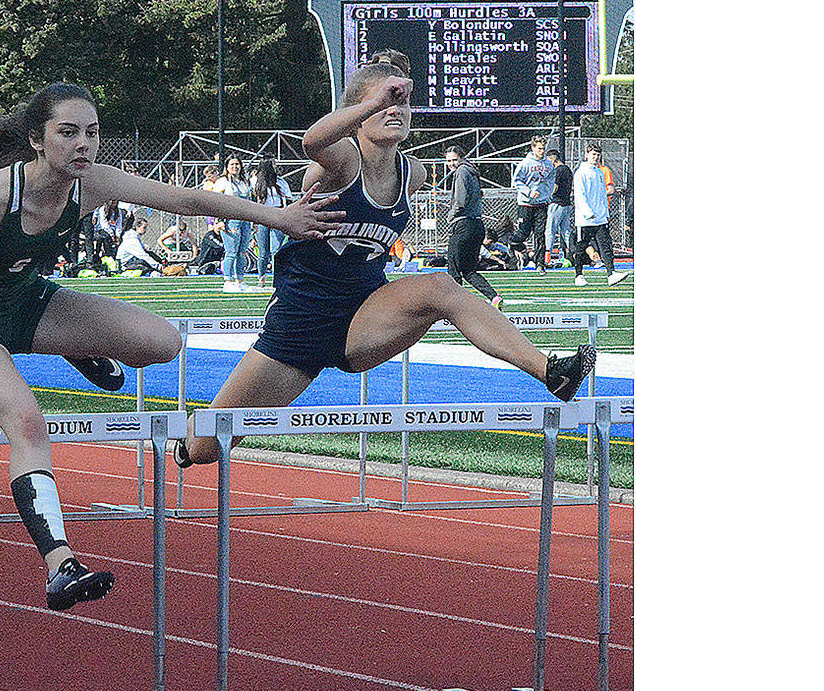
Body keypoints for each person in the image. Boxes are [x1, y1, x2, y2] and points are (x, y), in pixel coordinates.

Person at [0, 83, 341, 610]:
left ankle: (74, 345)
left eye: (91, 133)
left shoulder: (93, 184)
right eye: (68, 133)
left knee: (164, 342)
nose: (83, 145)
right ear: (36, 141)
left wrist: (281, 218)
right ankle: (60, 562)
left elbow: (186, 198)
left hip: (28, 300)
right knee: (26, 421)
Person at [175, 50, 596, 467]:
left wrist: (388, 86)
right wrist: (375, 100)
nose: (395, 109)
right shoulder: (340, 162)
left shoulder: (412, 173)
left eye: (402, 103)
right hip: (299, 323)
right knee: (205, 449)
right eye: (383, 103)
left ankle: (550, 372)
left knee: (441, 287)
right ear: (358, 112)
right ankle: (191, 434)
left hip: (365, 313)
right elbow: (312, 141)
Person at [442, 146, 502, 309]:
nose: (451, 164)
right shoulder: (472, 172)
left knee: (453, 266)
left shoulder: (461, 172)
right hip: (477, 225)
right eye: (448, 161)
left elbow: (460, 201)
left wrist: (450, 216)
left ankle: (456, 305)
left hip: (464, 224)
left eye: (454, 159)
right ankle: (494, 297)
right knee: (468, 270)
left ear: (461, 158)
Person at [571, 145, 630, 287]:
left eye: (597, 155)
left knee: (606, 245)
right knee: (581, 247)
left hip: (600, 219)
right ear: (586, 155)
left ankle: (611, 273)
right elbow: (580, 195)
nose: (595, 157)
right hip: (585, 220)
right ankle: (579, 275)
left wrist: (605, 213)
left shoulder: (599, 173)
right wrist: (587, 212)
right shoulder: (581, 173)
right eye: (593, 154)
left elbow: (602, 195)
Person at [508, 135, 555, 271]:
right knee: (524, 232)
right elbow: (516, 181)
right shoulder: (525, 163)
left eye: (543, 148)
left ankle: (540, 263)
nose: (541, 151)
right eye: (539, 148)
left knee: (540, 234)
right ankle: (512, 243)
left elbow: (550, 179)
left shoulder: (548, 164)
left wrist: (547, 194)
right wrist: (528, 192)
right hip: (526, 203)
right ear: (533, 148)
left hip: (541, 204)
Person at [213, 156, 254, 292]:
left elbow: (251, 201)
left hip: (246, 219)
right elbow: (216, 202)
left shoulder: (244, 181)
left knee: (242, 252)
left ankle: (240, 280)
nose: (235, 167)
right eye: (232, 164)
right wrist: (218, 221)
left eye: (237, 164)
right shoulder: (222, 181)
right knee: (231, 251)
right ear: (227, 167)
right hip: (230, 220)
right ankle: (228, 280)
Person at [251, 158, 293, 289]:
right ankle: (261, 277)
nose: (276, 168)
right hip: (262, 216)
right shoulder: (256, 182)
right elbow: (251, 199)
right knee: (263, 252)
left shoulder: (281, 182)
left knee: (276, 250)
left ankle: (277, 279)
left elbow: (288, 199)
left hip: (277, 215)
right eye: (273, 166)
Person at [544, 148, 573, 268]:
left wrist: (546, 195)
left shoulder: (558, 171)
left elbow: (554, 188)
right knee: (566, 232)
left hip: (557, 204)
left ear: (552, 159)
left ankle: (547, 258)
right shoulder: (568, 170)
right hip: (566, 204)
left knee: (550, 230)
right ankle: (573, 254)